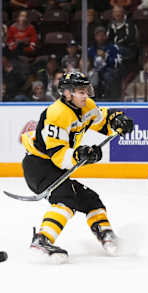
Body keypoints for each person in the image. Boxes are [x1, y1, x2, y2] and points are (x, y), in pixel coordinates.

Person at [21, 72, 134, 263]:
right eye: (80, 92)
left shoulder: (87, 105)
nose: (85, 96)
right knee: (65, 199)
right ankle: (42, 239)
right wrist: (82, 155)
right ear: (67, 93)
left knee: (91, 200)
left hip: (56, 166)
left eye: (86, 90)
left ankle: (106, 235)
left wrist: (116, 120)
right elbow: (58, 157)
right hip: (38, 165)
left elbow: (103, 120)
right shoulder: (56, 114)